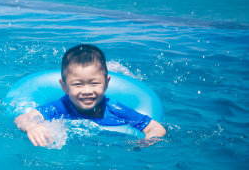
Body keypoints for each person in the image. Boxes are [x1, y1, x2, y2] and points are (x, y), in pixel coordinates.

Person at [14, 44, 166, 147]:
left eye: (94, 83)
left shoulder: (115, 109)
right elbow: (22, 118)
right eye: (78, 84)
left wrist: (141, 145)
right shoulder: (61, 107)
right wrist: (32, 127)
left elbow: (157, 129)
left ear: (106, 84)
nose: (87, 91)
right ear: (64, 86)